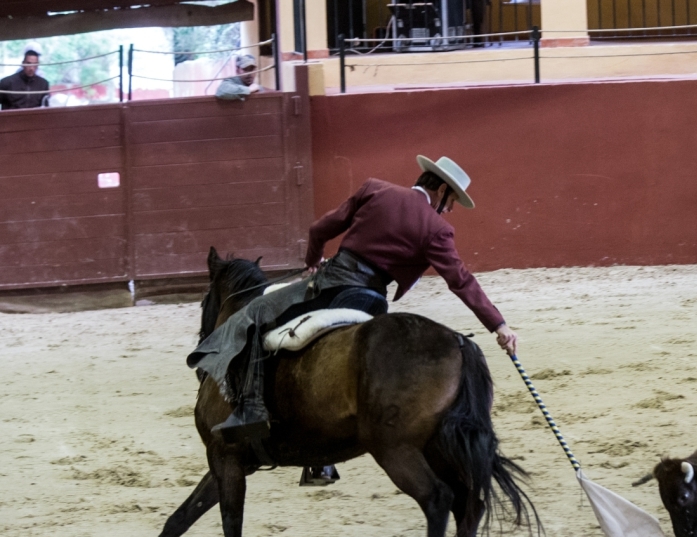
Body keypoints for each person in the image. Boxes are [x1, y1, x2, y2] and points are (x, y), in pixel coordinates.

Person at [187, 155, 519, 485]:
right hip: (371, 302)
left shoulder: (375, 190)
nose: (449, 210)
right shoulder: (437, 229)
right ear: (442, 189)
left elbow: (319, 229)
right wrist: (498, 325)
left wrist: (313, 261)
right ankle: (321, 461)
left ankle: (251, 409)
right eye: (452, 202)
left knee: (255, 316)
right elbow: (461, 280)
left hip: (332, 286)